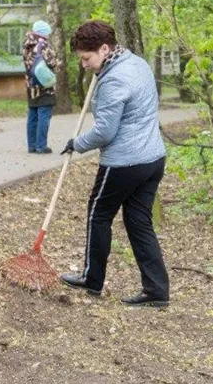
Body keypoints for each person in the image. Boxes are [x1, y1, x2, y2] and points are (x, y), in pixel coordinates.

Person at [59, 20, 170, 308]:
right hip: (153, 158)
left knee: (98, 214)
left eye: (87, 58)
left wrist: (76, 143)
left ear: (105, 49)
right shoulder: (136, 63)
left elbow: (105, 131)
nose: (84, 65)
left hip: (125, 162)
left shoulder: (113, 80)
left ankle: (91, 278)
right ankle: (157, 290)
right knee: (138, 221)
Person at [22, 20, 60, 154]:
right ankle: (41, 146)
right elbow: (52, 63)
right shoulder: (43, 45)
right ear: (44, 33)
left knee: (32, 115)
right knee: (44, 115)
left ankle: (31, 146)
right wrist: (57, 63)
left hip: (31, 85)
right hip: (44, 87)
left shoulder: (27, 45)